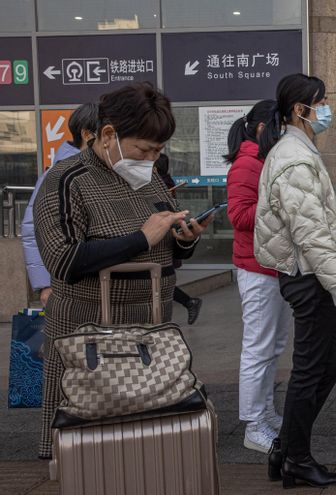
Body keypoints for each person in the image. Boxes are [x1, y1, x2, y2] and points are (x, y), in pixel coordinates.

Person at [33, 82, 208, 459]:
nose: (151, 159)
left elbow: (163, 246)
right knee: (90, 445)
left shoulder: (148, 178)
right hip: (89, 336)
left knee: (146, 446)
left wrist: (183, 239)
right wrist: (141, 239)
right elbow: (63, 261)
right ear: (108, 134)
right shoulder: (65, 181)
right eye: (145, 149)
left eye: (158, 151)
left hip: (150, 330)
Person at [254, 74, 336, 488]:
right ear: (301, 110)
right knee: (313, 369)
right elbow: (309, 235)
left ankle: (288, 447)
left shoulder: (299, 151)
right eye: (323, 102)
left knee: (326, 367)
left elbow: (314, 222)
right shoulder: (294, 157)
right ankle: (295, 457)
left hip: (310, 274)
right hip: (309, 277)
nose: (327, 108)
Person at [226, 99, 292, 454]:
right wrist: (282, 207)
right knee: (258, 348)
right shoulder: (247, 163)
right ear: (265, 129)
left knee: (272, 347)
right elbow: (239, 216)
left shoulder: (263, 160)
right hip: (257, 267)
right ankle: (253, 425)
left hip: (273, 265)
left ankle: (266, 411)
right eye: (281, 127)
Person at [21, 102, 98, 307]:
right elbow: (31, 229)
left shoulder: (101, 170)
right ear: (87, 134)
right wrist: (44, 284)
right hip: (66, 284)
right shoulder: (57, 174)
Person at [154, 153, 203, 325]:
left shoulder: (160, 183)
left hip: (164, 240)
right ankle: (189, 302)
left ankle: (189, 302)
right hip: (162, 240)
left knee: (161, 281)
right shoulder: (162, 181)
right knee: (160, 282)